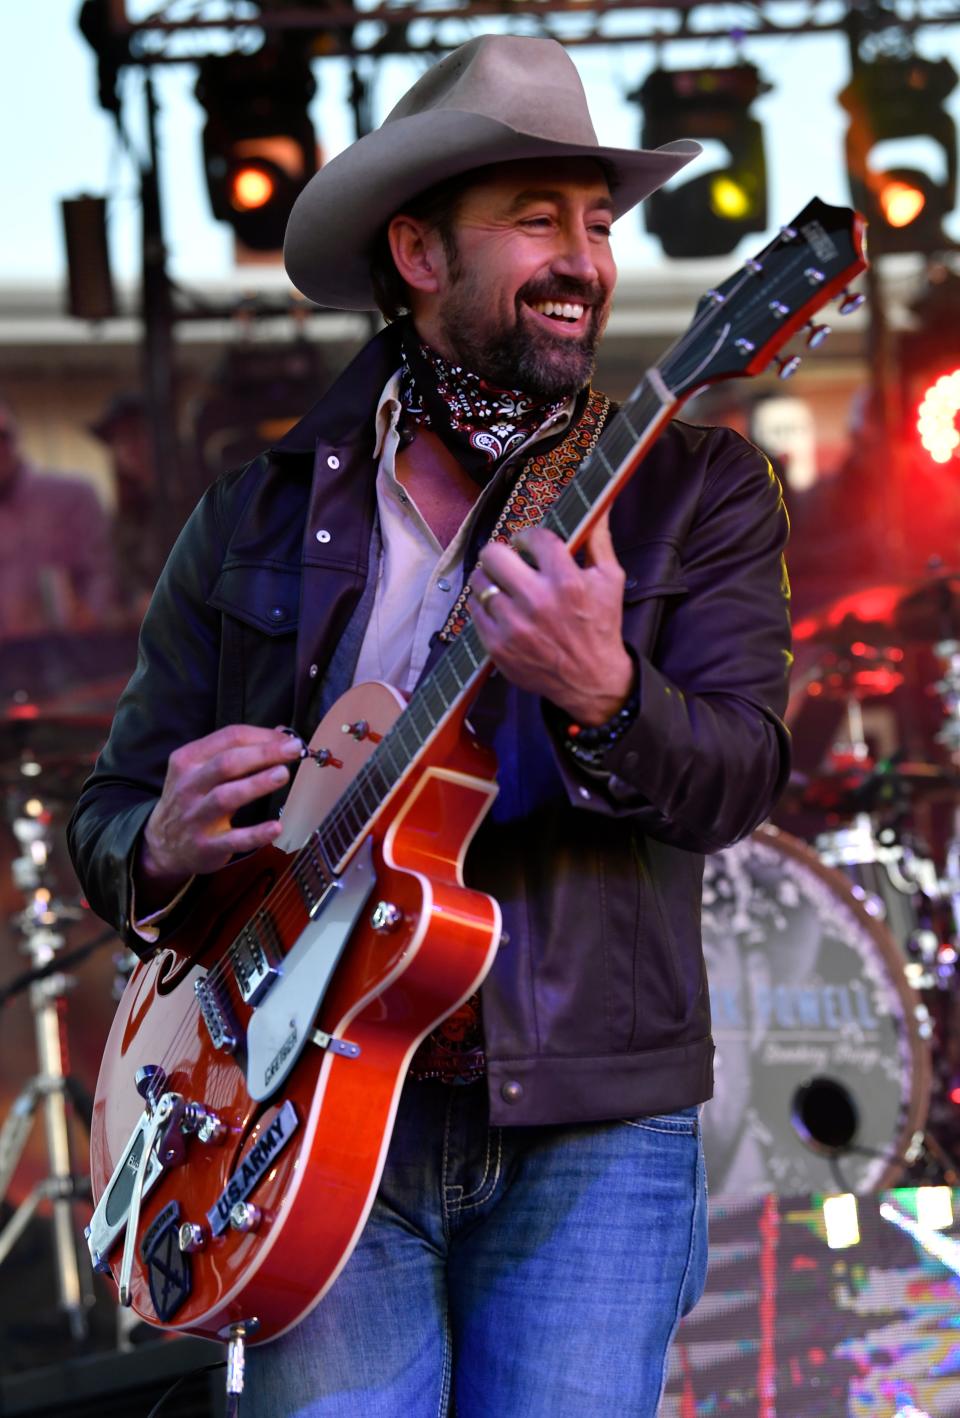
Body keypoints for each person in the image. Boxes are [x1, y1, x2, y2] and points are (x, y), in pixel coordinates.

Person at [68, 34, 792, 1416]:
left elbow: (741, 776)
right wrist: (160, 838)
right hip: (299, 1108)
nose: (584, 256)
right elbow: (103, 819)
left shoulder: (694, 489)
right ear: (415, 253)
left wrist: (607, 695)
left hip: (589, 1120)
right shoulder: (252, 513)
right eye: (536, 221)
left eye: (597, 221)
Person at [0, 398, 115, 641]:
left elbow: (103, 570)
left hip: (67, 653)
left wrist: (92, 611)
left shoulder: (71, 496)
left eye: (2, 437)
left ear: (16, 436)